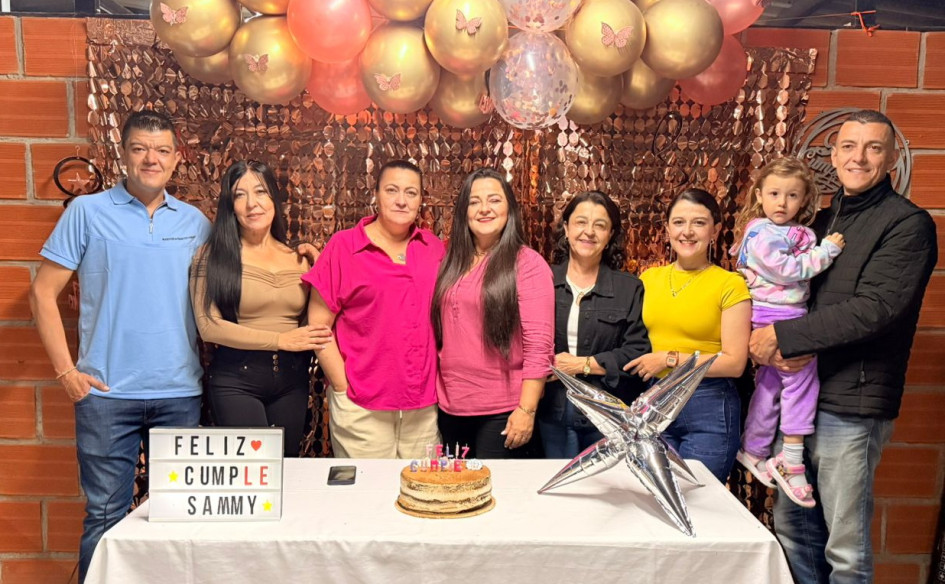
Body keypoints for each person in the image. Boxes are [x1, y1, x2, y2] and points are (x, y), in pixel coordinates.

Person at [750, 110, 937, 583]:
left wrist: (782, 337)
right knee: (794, 531)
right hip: (801, 393)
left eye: (874, 148)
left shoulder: (907, 224)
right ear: (832, 156)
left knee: (845, 549)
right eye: (849, 146)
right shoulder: (818, 219)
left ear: (891, 159)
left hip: (852, 402)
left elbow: (875, 308)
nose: (859, 157)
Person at [29, 110, 211, 583]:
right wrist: (67, 373)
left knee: (177, 521)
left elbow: (239, 279)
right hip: (105, 395)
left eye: (163, 150)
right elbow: (42, 294)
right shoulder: (87, 213)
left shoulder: (196, 223)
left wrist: (300, 260)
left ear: (177, 158)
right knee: (105, 517)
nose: (152, 159)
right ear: (124, 153)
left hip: (179, 394)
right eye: (140, 148)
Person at [190, 161, 332, 457]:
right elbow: (208, 326)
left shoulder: (299, 257)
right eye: (239, 195)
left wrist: (320, 268)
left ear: (274, 199)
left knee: (285, 471)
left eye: (260, 192)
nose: (252, 204)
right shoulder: (212, 255)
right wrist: (280, 340)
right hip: (236, 382)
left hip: (292, 382)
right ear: (230, 206)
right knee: (253, 473)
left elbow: (319, 319)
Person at [305, 159, 445, 459]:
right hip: (361, 405)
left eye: (411, 192)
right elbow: (318, 326)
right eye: (392, 190)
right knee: (367, 488)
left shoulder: (434, 249)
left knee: (423, 485)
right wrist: (342, 387)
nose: (401, 200)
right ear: (376, 195)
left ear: (420, 200)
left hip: (423, 405)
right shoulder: (344, 246)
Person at [731, 157, 845, 508]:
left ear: (804, 199)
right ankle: (791, 457)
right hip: (778, 314)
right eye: (774, 193)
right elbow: (787, 270)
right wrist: (826, 252)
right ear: (759, 195)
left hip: (782, 312)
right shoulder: (763, 233)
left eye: (792, 195)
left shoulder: (785, 231)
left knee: (770, 384)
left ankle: (753, 449)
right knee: (802, 378)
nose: (782, 202)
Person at [624, 188, 751, 483]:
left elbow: (734, 363)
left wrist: (668, 359)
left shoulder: (730, 284)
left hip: (707, 404)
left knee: (697, 499)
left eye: (699, 223)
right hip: (654, 403)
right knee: (654, 495)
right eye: (679, 222)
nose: (688, 232)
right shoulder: (648, 279)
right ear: (668, 229)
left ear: (715, 230)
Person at [432, 168, 554, 459]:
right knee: (456, 485)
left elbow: (539, 346)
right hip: (450, 407)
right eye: (474, 202)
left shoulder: (527, 264)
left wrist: (526, 410)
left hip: (503, 412)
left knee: (493, 487)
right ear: (463, 211)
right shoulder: (450, 260)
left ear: (509, 208)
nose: (484, 208)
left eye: (494, 200)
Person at [538, 190, 650, 458]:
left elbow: (636, 353)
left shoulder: (629, 288)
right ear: (566, 228)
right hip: (549, 412)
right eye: (581, 222)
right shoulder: (541, 280)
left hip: (607, 417)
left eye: (599, 225)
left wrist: (582, 365)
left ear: (610, 235)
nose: (588, 232)